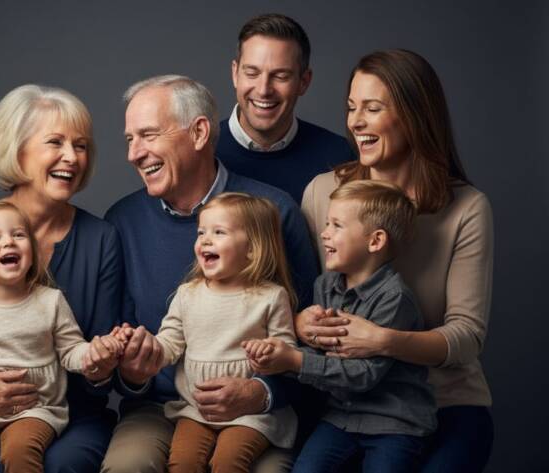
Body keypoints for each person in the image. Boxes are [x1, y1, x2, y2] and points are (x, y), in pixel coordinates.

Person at [102, 75, 319, 473]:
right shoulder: (122, 221)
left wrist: (260, 393)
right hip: (161, 407)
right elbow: (123, 357)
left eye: (148, 135)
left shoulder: (272, 211)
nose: (134, 153)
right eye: (130, 139)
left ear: (199, 133)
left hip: (260, 410)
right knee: (127, 467)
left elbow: (308, 342)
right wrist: (134, 371)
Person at [298, 49, 494, 472]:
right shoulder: (322, 193)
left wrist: (384, 341)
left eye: (372, 108)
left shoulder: (466, 207)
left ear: (414, 116)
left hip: (445, 402)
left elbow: (467, 336)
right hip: (349, 403)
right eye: (352, 107)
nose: (355, 122)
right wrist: (302, 323)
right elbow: (303, 299)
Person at [0, 85, 124, 472]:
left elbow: (96, 374)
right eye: (55, 142)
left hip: (64, 412)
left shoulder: (101, 238)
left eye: (81, 146)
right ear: (16, 150)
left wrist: (101, 363)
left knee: (59, 464)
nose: (72, 157)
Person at [249, 180, 437, 472]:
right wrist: (281, 355)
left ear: (375, 241)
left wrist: (295, 361)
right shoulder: (325, 285)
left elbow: (363, 375)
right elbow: (321, 354)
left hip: (394, 423)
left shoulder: (395, 298)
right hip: (339, 417)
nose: (324, 233)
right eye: (326, 223)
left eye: (336, 225)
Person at [0, 201, 123, 473]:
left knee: (20, 451)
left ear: (32, 251)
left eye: (18, 235)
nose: (9, 242)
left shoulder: (50, 301)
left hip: (35, 408)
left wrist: (93, 353)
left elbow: (71, 349)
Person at [146, 192, 299, 473]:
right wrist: (148, 349)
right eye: (201, 232)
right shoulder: (187, 294)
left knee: (228, 462)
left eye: (219, 232)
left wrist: (269, 352)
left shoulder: (271, 296)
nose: (205, 240)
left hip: (249, 413)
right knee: (182, 463)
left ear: (252, 248)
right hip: (196, 408)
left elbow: (286, 349)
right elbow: (169, 342)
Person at [216, 13, 354, 204]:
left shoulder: (342, 158)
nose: (264, 90)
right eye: (252, 73)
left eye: (280, 76)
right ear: (235, 74)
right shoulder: (202, 154)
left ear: (304, 81)